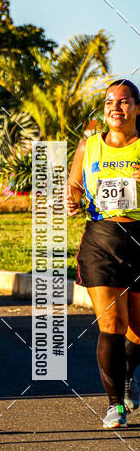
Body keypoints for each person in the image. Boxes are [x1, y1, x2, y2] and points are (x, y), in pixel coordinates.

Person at [67, 78, 140, 428]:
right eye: (110, 101)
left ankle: (127, 378)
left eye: (124, 101)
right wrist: (71, 199)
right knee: (113, 323)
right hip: (102, 240)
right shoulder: (89, 146)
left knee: (138, 330)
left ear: (137, 108)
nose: (115, 107)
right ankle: (115, 406)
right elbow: (74, 186)